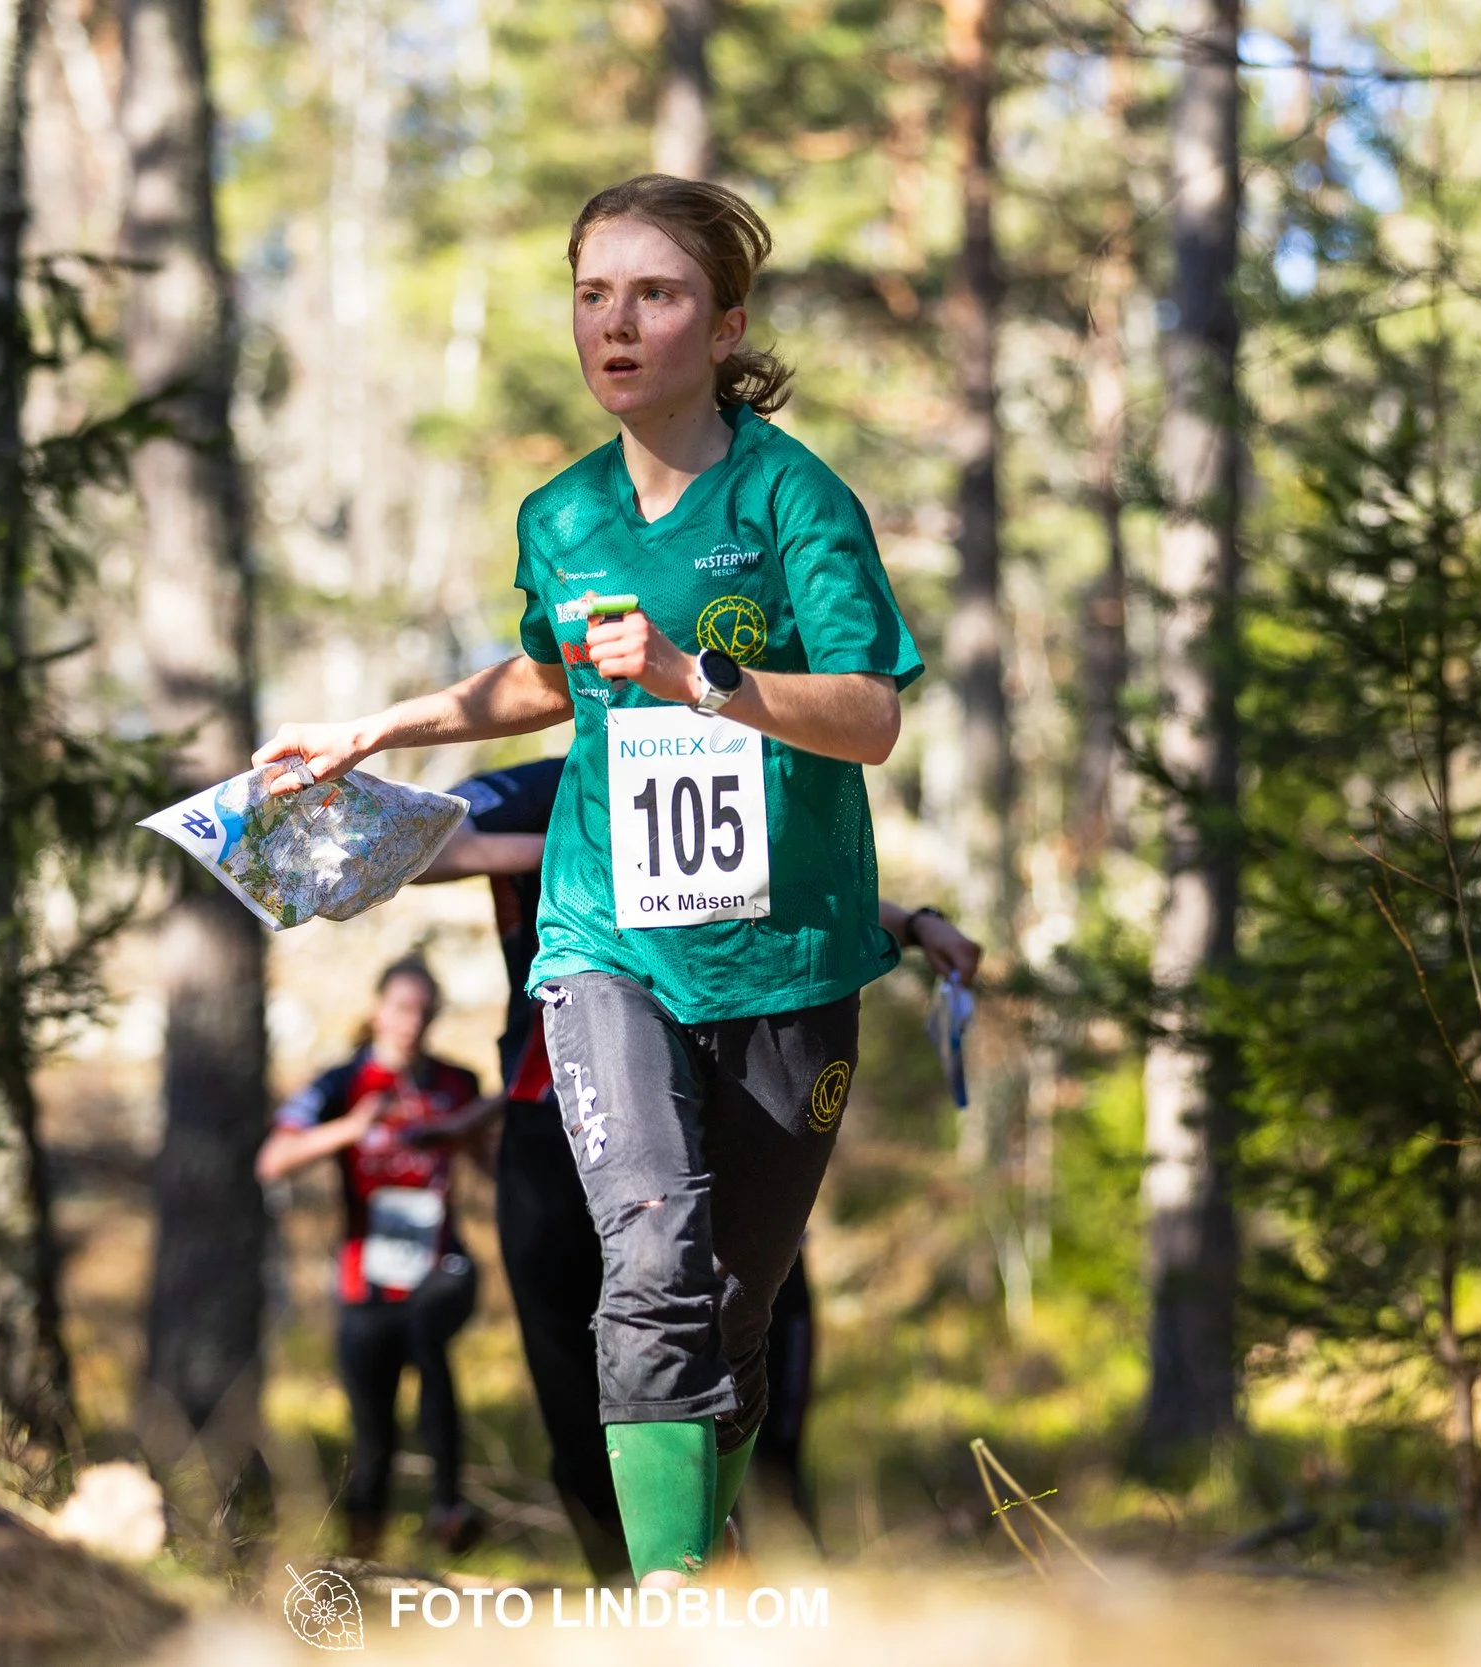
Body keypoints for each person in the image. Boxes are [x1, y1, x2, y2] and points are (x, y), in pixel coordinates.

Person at [256, 174, 924, 1587]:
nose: (615, 324)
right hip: (603, 936)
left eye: (655, 294)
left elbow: (870, 714)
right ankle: (656, 1597)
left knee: (732, 1303)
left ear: (724, 325)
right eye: (592, 294)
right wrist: (375, 728)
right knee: (653, 1250)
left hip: (787, 954)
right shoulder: (562, 515)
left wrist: (702, 678)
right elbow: (544, 677)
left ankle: (706, 1559)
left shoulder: (794, 497)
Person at [422, 780, 981, 1576]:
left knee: (744, 1323)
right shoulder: (551, 776)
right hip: (554, 1121)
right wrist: (591, 851)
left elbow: (793, 877)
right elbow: (426, 850)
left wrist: (916, 923)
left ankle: (755, 1563)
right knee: (577, 1391)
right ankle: (635, 1588)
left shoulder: (727, 752)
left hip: (718, 1106)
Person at [255, 958, 491, 1558]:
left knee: (426, 1330)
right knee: (372, 1439)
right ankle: (361, 1566)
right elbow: (273, 1160)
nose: (413, 1022)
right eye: (403, 1008)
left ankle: (449, 1507)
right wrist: (351, 1128)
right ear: (377, 1010)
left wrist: (473, 1127)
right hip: (367, 1281)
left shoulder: (456, 1083)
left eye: (425, 1011)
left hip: (442, 1267)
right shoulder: (341, 1083)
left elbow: (492, 1165)